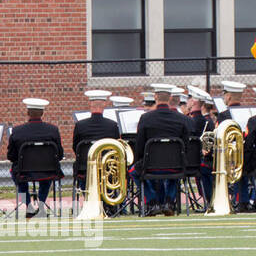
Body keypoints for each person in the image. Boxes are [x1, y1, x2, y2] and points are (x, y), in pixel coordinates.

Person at [133, 84, 192, 215]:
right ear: (170, 97)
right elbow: (185, 145)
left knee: (133, 171)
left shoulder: (146, 118)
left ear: (155, 97)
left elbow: (140, 145)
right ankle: (169, 202)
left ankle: (152, 201)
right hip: (175, 166)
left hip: (150, 166)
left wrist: (139, 161)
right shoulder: (182, 119)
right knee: (175, 171)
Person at [8, 98, 63, 218]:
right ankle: (41, 204)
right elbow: (60, 155)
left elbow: (11, 156)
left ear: (28, 112)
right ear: (42, 113)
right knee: (48, 174)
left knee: (16, 174)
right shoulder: (53, 130)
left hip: (24, 172)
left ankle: (28, 205)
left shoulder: (17, 131)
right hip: (47, 171)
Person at [72, 89, 121, 195]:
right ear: (104, 105)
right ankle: (109, 201)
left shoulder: (80, 125)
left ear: (90, 104)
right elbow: (117, 147)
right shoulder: (112, 125)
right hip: (107, 168)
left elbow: (76, 147)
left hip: (85, 167)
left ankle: (87, 195)